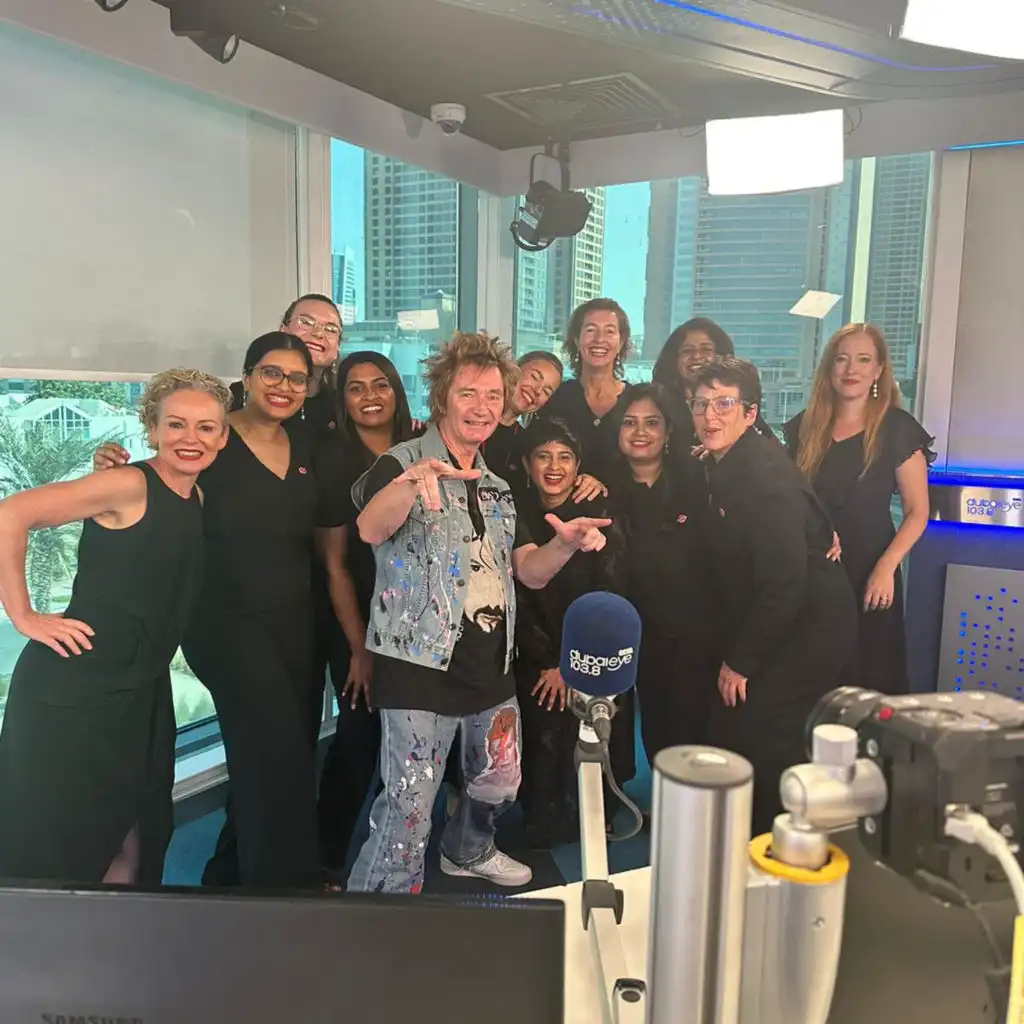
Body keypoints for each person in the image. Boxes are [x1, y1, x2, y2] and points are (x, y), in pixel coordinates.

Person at [347, 331, 612, 894]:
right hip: (418, 665)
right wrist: (410, 486)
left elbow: (528, 571)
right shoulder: (403, 462)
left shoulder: (497, 485)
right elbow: (370, 528)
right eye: (468, 393)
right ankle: (375, 912)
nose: (482, 407)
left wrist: (565, 543)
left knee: (499, 780)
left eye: (493, 395)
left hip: (491, 664)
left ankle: (467, 851)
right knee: (409, 808)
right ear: (443, 397)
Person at [0, 369, 231, 885]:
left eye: (205, 427)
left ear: (222, 436)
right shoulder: (127, 484)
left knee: (135, 831)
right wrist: (24, 616)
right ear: (152, 429)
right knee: (63, 840)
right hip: (76, 688)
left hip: (141, 687)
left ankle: (114, 932)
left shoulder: (193, 496)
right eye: (175, 424)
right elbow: (10, 514)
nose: (190, 438)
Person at [692, 357, 857, 836]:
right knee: (749, 728)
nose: (710, 415)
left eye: (724, 404)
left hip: (809, 623)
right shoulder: (729, 460)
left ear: (750, 413)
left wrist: (740, 661)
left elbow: (784, 581)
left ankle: (775, 845)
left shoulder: (763, 476)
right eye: (701, 404)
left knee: (766, 732)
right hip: (783, 614)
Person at [783, 323, 932, 694]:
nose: (851, 369)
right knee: (811, 684)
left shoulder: (897, 428)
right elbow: (789, 499)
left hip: (870, 574)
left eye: (863, 360)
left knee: (869, 682)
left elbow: (917, 512)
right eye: (842, 359)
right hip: (814, 573)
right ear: (829, 368)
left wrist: (886, 568)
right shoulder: (805, 427)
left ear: (879, 370)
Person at [314, 351, 415, 882]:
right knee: (358, 739)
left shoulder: (421, 447)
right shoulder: (334, 460)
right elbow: (335, 565)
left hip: (419, 622)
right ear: (343, 400)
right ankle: (327, 857)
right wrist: (360, 648)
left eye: (381, 384)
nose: (370, 396)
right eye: (356, 388)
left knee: (415, 737)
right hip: (359, 622)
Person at [511, 417, 633, 849]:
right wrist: (549, 662)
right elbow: (518, 595)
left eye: (564, 457)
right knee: (542, 734)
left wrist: (571, 663)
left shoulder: (601, 514)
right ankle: (542, 821)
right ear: (527, 464)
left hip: (591, 649)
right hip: (536, 652)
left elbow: (612, 592)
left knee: (596, 732)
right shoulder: (514, 513)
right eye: (543, 456)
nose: (554, 467)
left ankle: (599, 814)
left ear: (578, 466)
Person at [614, 384, 720, 763]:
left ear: (668, 431)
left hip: (695, 633)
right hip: (637, 634)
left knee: (694, 731)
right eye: (630, 422)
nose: (640, 432)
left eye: (652, 422)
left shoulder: (699, 479)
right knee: (655, 731)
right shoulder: (602, 487)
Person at [538, 299, 635, 485]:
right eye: (590, 330)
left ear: (621, 342)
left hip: (626, 501)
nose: (599, 339)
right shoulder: (558, 398)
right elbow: (538, 456)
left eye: (609, 331)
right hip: (565, 500)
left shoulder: (636, 401)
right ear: (576, 339)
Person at [652, 317, 776, 447]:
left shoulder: (739, 402)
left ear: (721, 356)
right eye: (688, 351)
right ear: (674, 359)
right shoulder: (658, 402)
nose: (697, 356)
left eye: (706, 350)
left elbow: (771, 448)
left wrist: (724, 447)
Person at [480, 350, 564, 481]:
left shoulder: (527, 445)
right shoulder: (472, 417)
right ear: (514, 369)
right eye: (534, 377)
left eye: (546, 391)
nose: (537, 390)